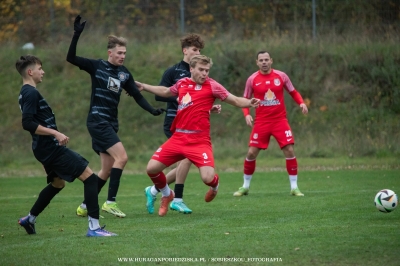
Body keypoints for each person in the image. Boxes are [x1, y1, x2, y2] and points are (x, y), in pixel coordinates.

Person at [136, 55, 260, 216]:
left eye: (207, 70)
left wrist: (249, 102)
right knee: (152, 169)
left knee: (207, 178)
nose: (204, 74)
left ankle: (214, 187)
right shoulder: (182, 83)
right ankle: (167, 194)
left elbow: (235, 100)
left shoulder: (213, 86)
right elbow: (166, 91)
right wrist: (144, 86)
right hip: (179, 138)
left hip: (199, 141)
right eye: (201, 70)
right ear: (191, 69)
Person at [66, 15, 164, 218]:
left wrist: (152, 110)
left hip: (110, 123)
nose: (122, 56)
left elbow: (137, 96)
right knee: (123, 157)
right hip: (97, 120)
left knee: (106, 170)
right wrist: (76, 34)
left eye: (125, 53)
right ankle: (110, 202)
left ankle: (84, 206)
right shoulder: (97, 66)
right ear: (110, 53)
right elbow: (71, 58)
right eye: (119, 53)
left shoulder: (124, 74)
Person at [16, 55, 116, 237]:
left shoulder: (25, 92)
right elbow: (27, 123)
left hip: (42, 148)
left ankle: (29, 219)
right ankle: (94, 228)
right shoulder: (30, 92)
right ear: (30, 72)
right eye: (40, 68)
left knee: (57, 183)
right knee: (90, 178)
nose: (43, 71)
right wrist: (55, 133)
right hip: (50, 148)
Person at [145, 33, 211, 215]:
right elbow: (161, 94)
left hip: (192, 125)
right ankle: (177, 199)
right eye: (195, 50)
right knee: (186, 158)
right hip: (175, 122)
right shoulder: (173, 72)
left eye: (200, 50)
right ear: (185, 50)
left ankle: (153, 191)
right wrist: (184, 100)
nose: (198, 52)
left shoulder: (199, 72)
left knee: (186, 160)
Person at [233, 51, 308, 197]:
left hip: (280, 120)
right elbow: (245, 99)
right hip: (261, 122)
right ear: (257, 62)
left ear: (271, 61)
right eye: (261, 60)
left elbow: (293, 92)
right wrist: (247, 114)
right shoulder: (252, 79)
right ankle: (245, 186)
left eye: (266, 59)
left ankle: (294, 187)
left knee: (290, 150)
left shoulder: (281, 76)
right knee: (251, 153)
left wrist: (301, 103)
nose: (264, 62)